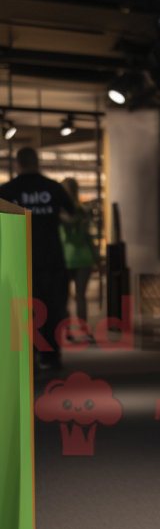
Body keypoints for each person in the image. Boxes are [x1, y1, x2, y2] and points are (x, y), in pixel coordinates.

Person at [0, 147, 75, 368]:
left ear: (18, 164)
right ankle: (51, 356)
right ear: (37, 162)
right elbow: (71, 212)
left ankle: (28, 357)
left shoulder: (7, 190)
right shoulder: (53, 188)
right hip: (51, 258)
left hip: (19, 259)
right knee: (52, 309)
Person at [60, 177, 97, 333]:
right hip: (84, 257)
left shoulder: (59, 212)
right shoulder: (83, 211)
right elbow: (89, 237)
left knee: (64, 297)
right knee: (81, 296)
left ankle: (68, 330)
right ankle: (84, 330)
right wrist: (96, 258)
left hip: (65, 257)